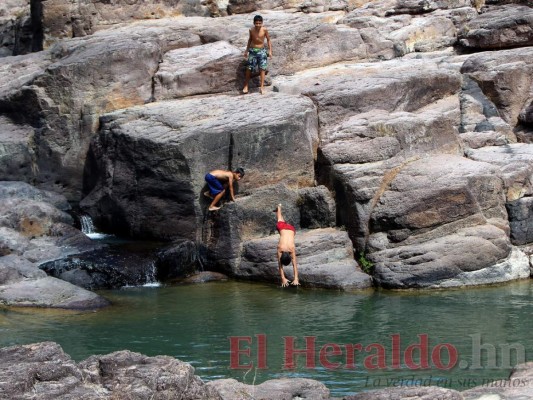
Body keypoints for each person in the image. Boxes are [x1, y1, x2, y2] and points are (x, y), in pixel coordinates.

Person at [242, 15, 272, 95]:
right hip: (253, 51)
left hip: (261, 51)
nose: (258, 25)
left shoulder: (264, 30)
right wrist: (246, 51)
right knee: (249, 68)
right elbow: (250, 40)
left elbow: (268, 40)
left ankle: (262, 87)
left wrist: (270, 51)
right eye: (256, 23)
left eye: (259, 23)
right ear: (254, 23)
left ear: (262, 23)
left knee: (262, 69)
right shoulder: (251, 30)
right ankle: (246, 85)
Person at [274, 203, 300, 287]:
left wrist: (284, 278)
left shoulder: (288, 249)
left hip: (292, 229)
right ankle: (279, 207)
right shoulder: (281, 248)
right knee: (280, 220)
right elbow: (294, 264)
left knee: (280, 220)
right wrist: (294, 279)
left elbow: (280, 264)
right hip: (287, 228)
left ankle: (279, 208)